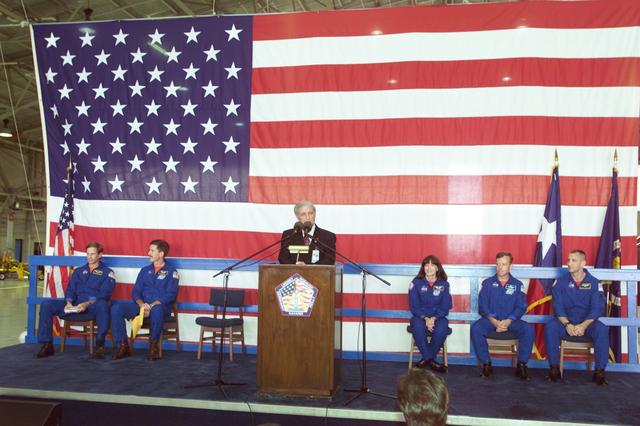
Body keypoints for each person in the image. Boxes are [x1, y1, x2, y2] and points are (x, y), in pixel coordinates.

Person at [36, 241, 115, 358]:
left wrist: (87, 303)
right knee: (46, 304)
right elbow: (71, 289)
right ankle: (47, 344)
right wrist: (68, 302)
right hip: (76, 305)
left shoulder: (107, 272)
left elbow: (104, 294)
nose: (89, 257)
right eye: (88, 254)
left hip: (93, 305)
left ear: (100, 255)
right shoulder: (78, 271)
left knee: (103, 304)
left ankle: (100, 344)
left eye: (93, 254)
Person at [544, 249, 608, 385]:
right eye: (568, 260)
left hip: (588, 324)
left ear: (583, 263)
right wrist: (568, 325)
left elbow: (597, 308)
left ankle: (600, 371)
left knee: (601, 328)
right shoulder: (560, 282)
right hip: (565, 323)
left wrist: (583, 326)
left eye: (573, 260)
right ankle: (554, 368)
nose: (569, 263)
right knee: (550, 327)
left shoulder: (595, 283)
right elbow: (558, 307)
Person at [110, 240, 179, 361]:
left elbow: (171, 295)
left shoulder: (172, 272)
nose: (148, 253)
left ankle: (153, 346)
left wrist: (151, 306)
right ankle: (123, 345)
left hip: (160, 307)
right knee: (117, 308)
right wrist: (142, 305)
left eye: (152, 250)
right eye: (149, 250)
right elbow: (136, 292)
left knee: (157, 310)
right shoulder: (144, 270)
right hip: (142, 305)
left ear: (161, 253)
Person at [470, 252, 534, 380]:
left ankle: (521, 365)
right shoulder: (487, 283)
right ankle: (486, 364)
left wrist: (509, 320)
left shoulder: (517, 285)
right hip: (490, 320)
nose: (500, 267)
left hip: (511, 321)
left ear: (510, 265)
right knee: (476, 328)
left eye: (504, 264)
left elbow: (521, 307)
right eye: (498, 264)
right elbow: (482, 306)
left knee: (528, 330)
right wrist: (493, 321)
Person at [408, 255, 452, 373]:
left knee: (442, 327)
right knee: (417, 326)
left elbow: (446, 305)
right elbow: (414, 306)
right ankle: (431, 360)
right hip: (420, 317)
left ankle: (426, 359)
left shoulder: (444, 284)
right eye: (426, 265)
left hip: (438, 317)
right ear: (423, 268)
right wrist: (426, 318)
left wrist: (434, 318)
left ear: (437, 268)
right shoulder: (416, 283)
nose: (429, 268)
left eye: (432, 265)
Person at [278, 200, 336, 265]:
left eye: (310, 213)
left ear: (315, 214)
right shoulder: (289, 235)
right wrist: (297, 268)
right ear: (298, 217)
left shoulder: (327, 236)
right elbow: (283, 259)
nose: (308, 217)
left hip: (317, 274)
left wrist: (307, 267)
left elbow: (329, 261)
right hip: (294, 274)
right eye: (303, 214)